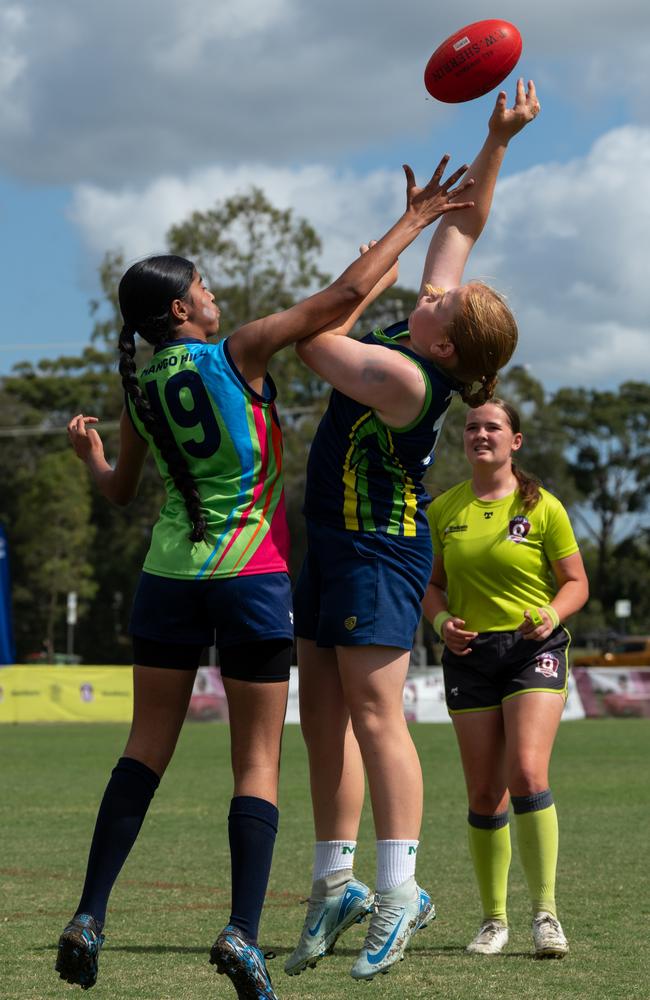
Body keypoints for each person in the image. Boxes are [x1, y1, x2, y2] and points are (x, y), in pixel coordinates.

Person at [56, 155, 475, 1000]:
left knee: (144, 749)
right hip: (251, 575)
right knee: (255, 761)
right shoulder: (237, 351)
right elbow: (336, 300)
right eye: (204, 287)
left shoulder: (138, 389)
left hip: (166, 578)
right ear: (183, 310)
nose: (216, 296)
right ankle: (241, 936)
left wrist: (93, 456)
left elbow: (122, 492)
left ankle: (89, 914)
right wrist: (416, 219)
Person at [283, 80, 541, 983]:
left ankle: (401, 891)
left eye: (444, 300)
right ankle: (335, 882)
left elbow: (312, 338)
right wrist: (495, 136)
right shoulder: (433, 334)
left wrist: (373, 267)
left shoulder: (406, 379)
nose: (442, 288)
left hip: (378, 553)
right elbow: (463, 228)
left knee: (373, 715)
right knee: (320, 719)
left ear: (443, 344)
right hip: (329, 541)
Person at [423, 398, 588, 958]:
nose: (480, 434)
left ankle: (546, 915)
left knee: (525, 771)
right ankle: (494, 921)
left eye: (493, 426)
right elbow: (431, 585)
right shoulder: (444, 508)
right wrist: (442, 622)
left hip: (531, 649)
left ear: (515, 441)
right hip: (469, 657)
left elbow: (575, 582)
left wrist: (552, 614)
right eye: (472, 427)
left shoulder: (543, 508)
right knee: (484, 791)